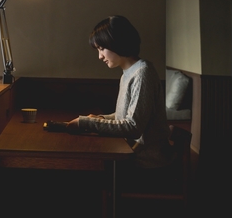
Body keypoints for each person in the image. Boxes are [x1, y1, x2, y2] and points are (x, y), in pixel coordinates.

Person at [67, 15, 174, 169]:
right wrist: (101, 118)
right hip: (132, 152)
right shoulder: (129, 72)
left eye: (102, 48)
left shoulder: (143, 73)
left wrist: (87, 123)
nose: (100, 56)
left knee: (84, 166)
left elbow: (133, 127)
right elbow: (123, 117)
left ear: (116, 42)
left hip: (147, 160)